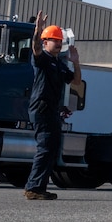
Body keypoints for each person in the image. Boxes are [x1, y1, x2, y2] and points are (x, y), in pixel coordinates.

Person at [23, 11, 81, 201]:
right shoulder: (42, 59)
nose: (57, 43)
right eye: (53, 40)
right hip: (41, 108)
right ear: (45, 41)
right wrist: (38, 29)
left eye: (59, 40)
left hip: (52, 110)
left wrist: (76, 62)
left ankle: (39, 188)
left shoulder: (59, 63)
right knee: (45, 148)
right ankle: (33, 188)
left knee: (52, 149)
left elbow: (76, 82)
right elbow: (36, 48)